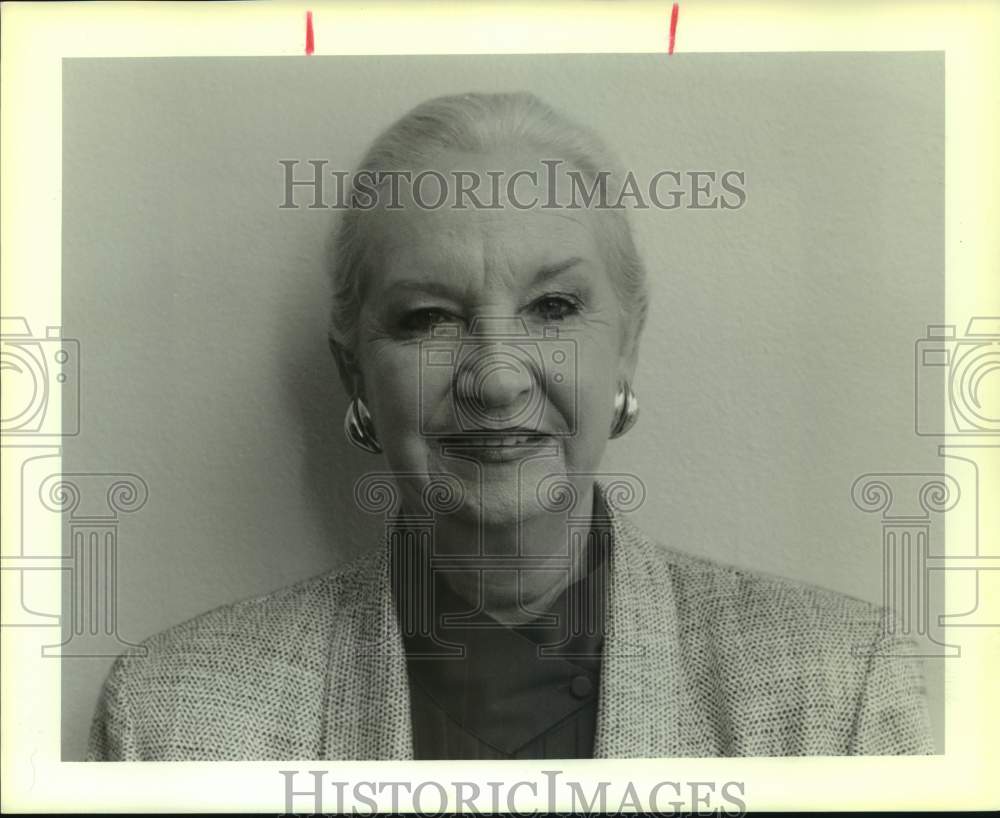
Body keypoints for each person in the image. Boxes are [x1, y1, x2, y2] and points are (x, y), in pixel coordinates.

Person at [88, 92, 934, 760]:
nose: (495, 377)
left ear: (626, 351)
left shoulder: (839, 688)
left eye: (554, 306)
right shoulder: (170, 722)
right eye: (427, 318)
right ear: (355, 373)